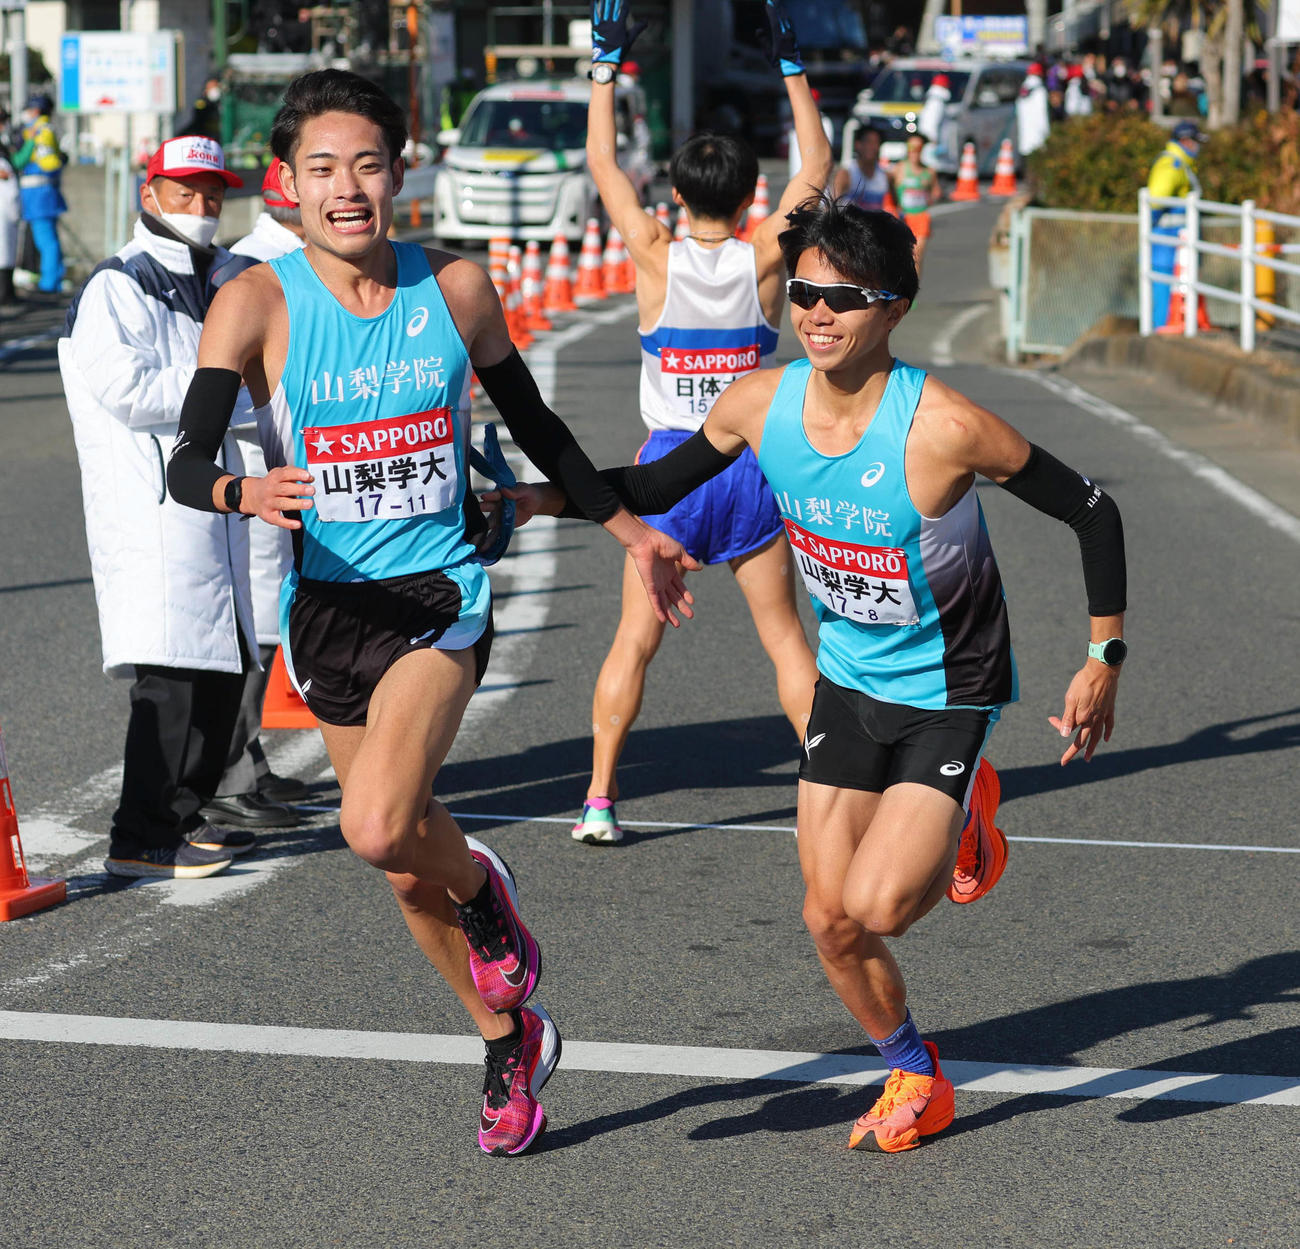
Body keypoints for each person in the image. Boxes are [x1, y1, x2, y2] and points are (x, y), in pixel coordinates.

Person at [506, 196, 1128, 1152]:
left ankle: (969, 809)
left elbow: (1092, 510)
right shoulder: (759, 404)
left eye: (844, 296)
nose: (817, 313)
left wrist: (1102, 656)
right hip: (847, 683)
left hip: (948, 691)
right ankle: (916, 1071)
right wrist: (528, 500)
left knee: (880, 904)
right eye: (803, 291)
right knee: (829, 919)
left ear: (895, 308)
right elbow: (648, 490)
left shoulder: (946, 427)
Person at [165, 68, 696, 1156]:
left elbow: (538, 427)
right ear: (286, 184)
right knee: (404, 862)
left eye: (367, 163)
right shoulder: (254, 301)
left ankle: (486, 887)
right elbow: (184, 459)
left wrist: (627, 529)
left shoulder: (451, 289)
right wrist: (240, 490)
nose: (346, 187)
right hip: (324, 610)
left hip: (438, 595)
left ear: (402, 174)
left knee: (371, 827)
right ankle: (506, 1031)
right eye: (322, 168)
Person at [574, 0, 826, 845]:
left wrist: (605, 66)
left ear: (677, 194)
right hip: (753, 466)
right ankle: (829, 789)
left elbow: (603, 162)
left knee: (632, 645)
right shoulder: (766, 256)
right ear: (753, 196)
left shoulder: (653, 252)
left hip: (666, 475)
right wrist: (790, 67)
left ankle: (601, 800)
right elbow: (819, 162)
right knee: (787, 640)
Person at [58, 134, 259, 880]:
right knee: (172, 679)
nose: (202, 206)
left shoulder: (216, 280)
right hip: (155, 510)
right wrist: (220, 385)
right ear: (151, 195)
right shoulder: (117, 284)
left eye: (211, 193)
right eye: (185, 191)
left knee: (224, 670)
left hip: (209, 506)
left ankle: (181, 814)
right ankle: (139, 834)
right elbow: (129, 390)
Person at [202, 160, 314, 826]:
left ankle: (252, 765)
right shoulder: (248, 270)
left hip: (286, 468)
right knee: (252, 625)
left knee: (270, 625)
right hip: (253, 469)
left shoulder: (289, 259)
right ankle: (233, 775)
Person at [1147, 119, 1205, 330]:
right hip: (1167, 240)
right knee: (1164, 286)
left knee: (1179, 287)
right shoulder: (1172, 164)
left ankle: (1176, 327)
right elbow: (1156, 199)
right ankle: (1161, 329)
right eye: (1195, 141)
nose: (1198, 147)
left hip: (1176, 240)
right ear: (1185, 141)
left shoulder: (1183, 164)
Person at [12, 94, 67, 294]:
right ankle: (54, 278)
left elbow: (44, 161)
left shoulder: (39, 130)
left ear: (35, 110)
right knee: (49, 237)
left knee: (45, 239)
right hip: (44, 192)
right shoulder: (44, 129)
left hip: (38, 193)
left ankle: (49, 282)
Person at [890, 132, 939, 277]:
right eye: (911, 146)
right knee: (900, 257)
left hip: (921, 217)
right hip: (903, 218)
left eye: (918, 147)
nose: (914, 151)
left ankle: (913, 296)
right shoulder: (899, 169)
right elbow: (889, 189)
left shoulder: (929, 172)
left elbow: (936, 191)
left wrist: (929, 196)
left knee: (917, 256)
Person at [834, 124, 895, 213]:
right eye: (868, 142)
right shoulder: (846, 173)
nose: (872, 147)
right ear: (857, 145)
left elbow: (895, 206)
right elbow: (832, 205)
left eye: (876, 142)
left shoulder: (886, 176)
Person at [1016, 63, 1051, 157]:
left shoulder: (1023, 89)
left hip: (1025, 138)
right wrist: (1046, 133)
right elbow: (1042, 113)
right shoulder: (1040, 90)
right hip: (1038, 138)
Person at [917, 73, 950, 145]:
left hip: (929, 139)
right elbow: (931, 121)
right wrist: (933, 140)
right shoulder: (937, 102)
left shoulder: (934, 99)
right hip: (931, 140)